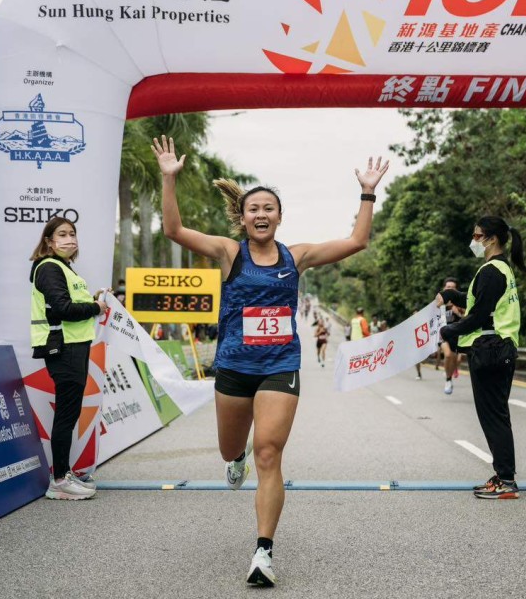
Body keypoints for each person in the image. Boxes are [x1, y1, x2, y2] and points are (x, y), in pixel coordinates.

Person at [154, 135, 388, 587]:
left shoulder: (295, 257)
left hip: (280, 365)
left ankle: (263, 552)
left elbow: (358, 240)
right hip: (234, 367)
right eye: (253, 209)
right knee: (232, 450)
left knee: (269, 452)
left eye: (269, 209)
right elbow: (174, 232)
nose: (261, 215)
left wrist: (367, 191)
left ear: (280, 217)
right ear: (242, 217)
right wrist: (169, 179)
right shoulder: (229, 252)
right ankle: (233, 458)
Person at [438, 216, 526, 500]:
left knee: (494, 417)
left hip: (491, 349)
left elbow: (476, 317)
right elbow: (479, 302)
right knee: (496, 414)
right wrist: (452, 294)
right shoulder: (499, 269)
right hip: (499, 348)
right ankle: (503, 475)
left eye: (477, 236)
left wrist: (447, 331)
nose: (473, 241)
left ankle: (506, 480)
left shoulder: (491, 271)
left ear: (492, 239)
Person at [29, 216, 108, 500]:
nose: (69, 239)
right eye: (62, 234)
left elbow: (70, 303)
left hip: (73, 346)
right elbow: (62, 308)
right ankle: (59, 479)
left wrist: (95, 299)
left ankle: (64, 472)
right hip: (62, 347)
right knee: (66, 413)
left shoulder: (65, 268)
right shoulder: (49, 267)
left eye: (72, 234)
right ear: (49, 241)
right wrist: (96, 307)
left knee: (69, 412)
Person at [440, 277, 463, 395]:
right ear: (444, 288)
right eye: (448, 287)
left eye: (453, 288)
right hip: (442, 334)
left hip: (456, 335)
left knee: (454, 358)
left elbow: (469, 318)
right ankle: (448, 380)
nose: (450, 289)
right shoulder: (439, 302)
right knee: (448, 355)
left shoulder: (461, 303)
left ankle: (449, 377)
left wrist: (458, 312)